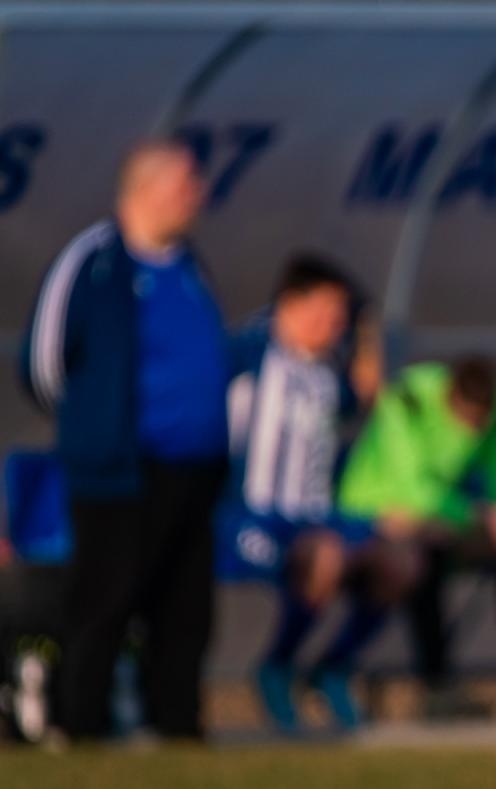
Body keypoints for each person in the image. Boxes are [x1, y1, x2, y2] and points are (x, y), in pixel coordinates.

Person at [16, 138, 228, 741]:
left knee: (185, 609)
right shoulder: (96, 261)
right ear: (148, 189)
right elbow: (43, 364)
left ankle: (178, 726)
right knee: (105, 600)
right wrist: (96, 427)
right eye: (188, 183)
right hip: (120, 469)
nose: (198, 197)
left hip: (194, 470)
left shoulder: (188, 265)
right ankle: (82, 723)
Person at [219, 254, 408, 732]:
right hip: (250, 516)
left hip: (314, 516)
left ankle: (332, 668)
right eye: (326, 313)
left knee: (401, 561)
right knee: (323, 559)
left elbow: (367, 393)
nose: (334, 326)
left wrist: (367, 331)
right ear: (289, 306)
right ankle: (275, 668)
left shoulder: (328, 371)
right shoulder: (248, 353)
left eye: (341, 317)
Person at [338, 356, 496, 711]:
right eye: (468, 419)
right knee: (421, 555)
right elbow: (413, 486)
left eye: (482, 422)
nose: (474, 430)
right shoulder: (407, 398)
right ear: (451, 399)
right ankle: (434, 683)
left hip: (445, 516)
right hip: (370, 510)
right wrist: (482, 515)